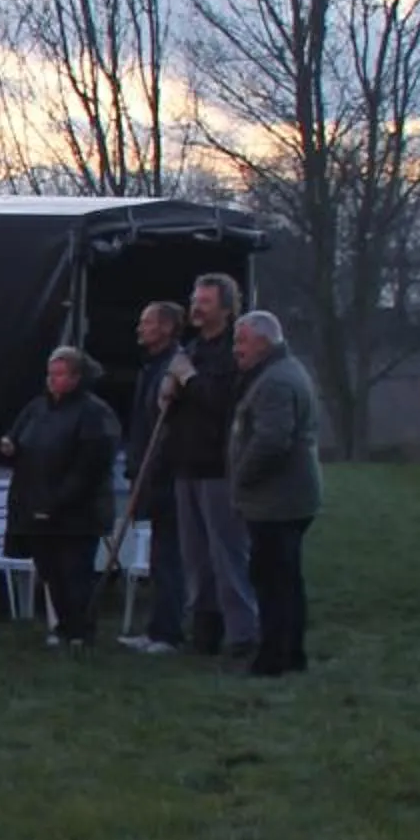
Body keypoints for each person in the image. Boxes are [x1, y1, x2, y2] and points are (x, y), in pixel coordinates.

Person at [0, 347, 124, 647]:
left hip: (78, 512)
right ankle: (62, 627)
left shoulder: (94, 412)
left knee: (74, 571)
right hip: (36, 505)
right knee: (50, 571)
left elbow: (91, 464)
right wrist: (9, 446)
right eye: (50, 374)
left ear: (77, 377)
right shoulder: (36, 408)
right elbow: (16, 438)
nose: (52, 380)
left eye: (59, 375)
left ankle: (82, 630)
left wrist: (59, 500)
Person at [165, 274, 259, 661]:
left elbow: (222, 402)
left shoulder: (231, 353)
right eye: (194, 298)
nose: (196, 306)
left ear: (225, 307)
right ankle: (204, 632)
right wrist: (169, 390)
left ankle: (243, 635)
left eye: (204, 301)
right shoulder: (192, 348)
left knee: (228, 554)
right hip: (186, 463)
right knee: (196, 557)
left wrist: (190, 379)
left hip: (219, 466)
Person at [229, 309, 323, 676]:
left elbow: (271, 440)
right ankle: (292, 654)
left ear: (263, 342)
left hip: (278, 500)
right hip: (288, 497)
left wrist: (241, 476)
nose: (236, 349)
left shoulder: (275, 382)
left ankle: (272, 660)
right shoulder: (282, 372)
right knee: (285, 579)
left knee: (272, 581)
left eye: (241, 341)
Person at [119, 301, 188, 653]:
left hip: (168, 476)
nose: (140, 328)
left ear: (165, 328)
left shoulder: (177, 366)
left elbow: (171, 426)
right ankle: (157, 628)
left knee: (170, 556)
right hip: (149, 474)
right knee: (160, 556)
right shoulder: (151, 368)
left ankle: (169, 633)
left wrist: (156, 470)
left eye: (147, 323)